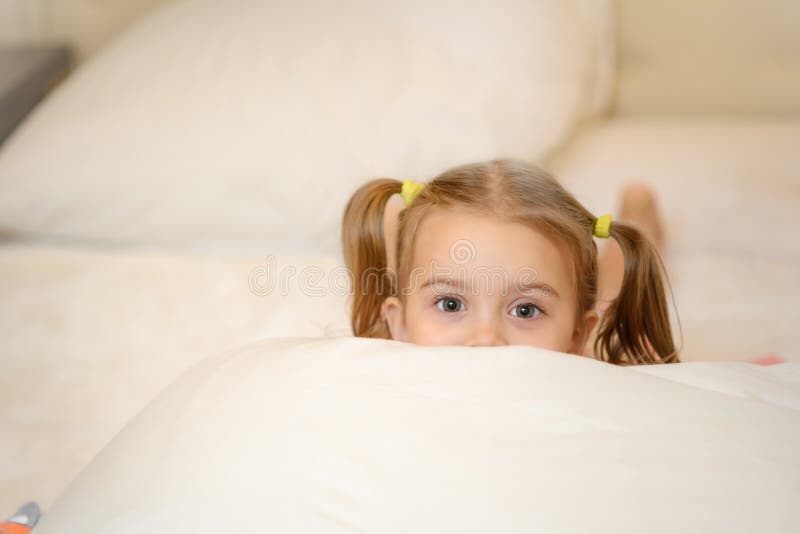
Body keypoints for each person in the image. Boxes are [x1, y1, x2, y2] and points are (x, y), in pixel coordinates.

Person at [341, 159, 678, 365]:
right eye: (450, 303)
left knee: (613, 286)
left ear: (576, 335)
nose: (486, 339)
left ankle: (639, 213)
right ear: (398, 324)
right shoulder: (381, 363)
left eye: (525, 310)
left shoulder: (604, 368)